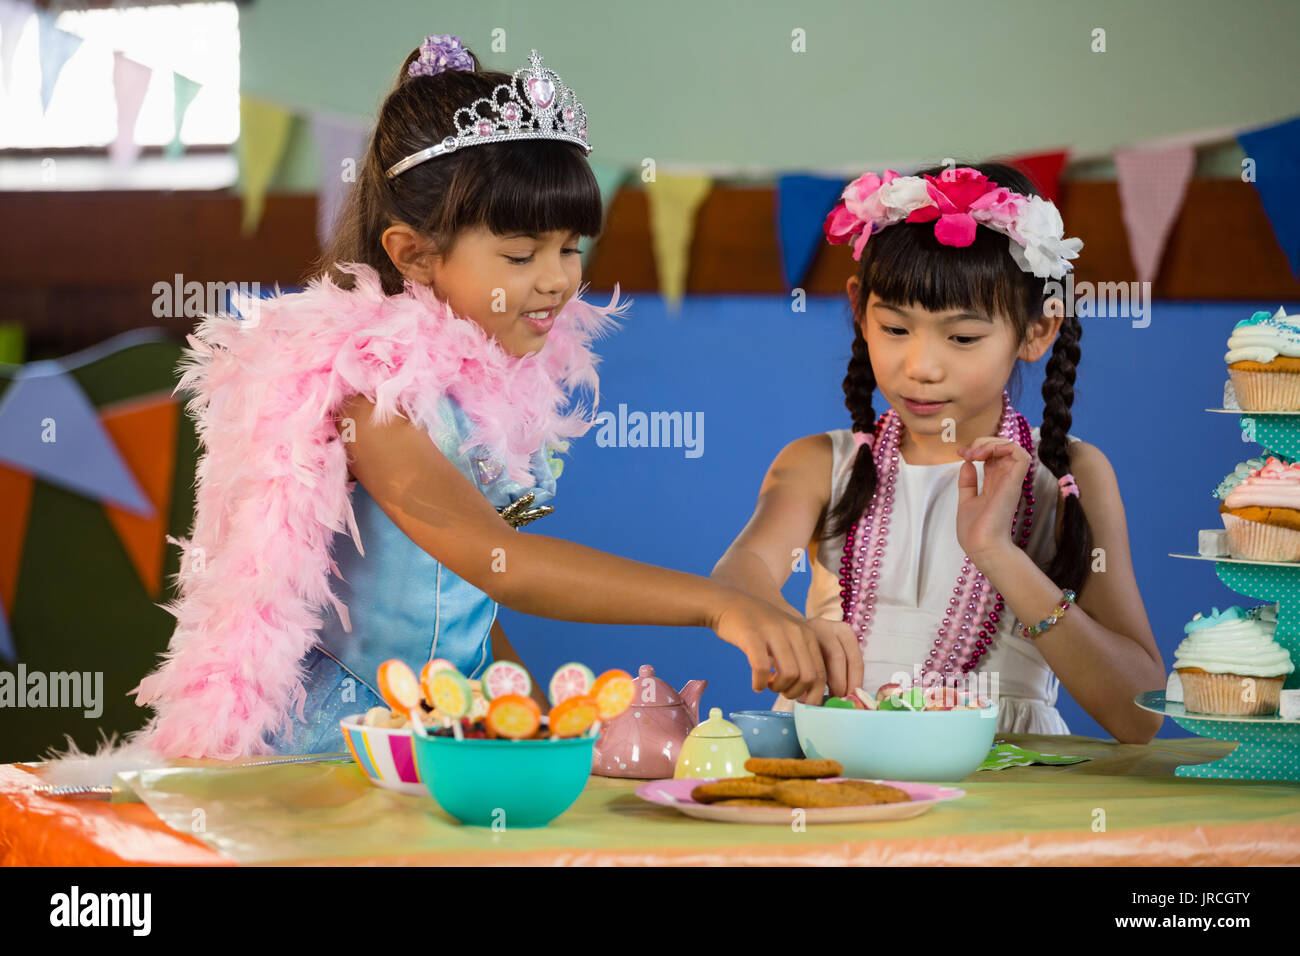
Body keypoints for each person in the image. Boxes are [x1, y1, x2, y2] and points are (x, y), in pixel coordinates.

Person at [39, 35, 857, 780]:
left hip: (452, 727)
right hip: (342, 746)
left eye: (571, 247)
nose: (557, 279)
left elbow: (463, 603)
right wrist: (720, 601)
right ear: (412, 254)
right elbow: (495, 556)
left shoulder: (492, 387)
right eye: (520, 252)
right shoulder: (372, 395)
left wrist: (534, 715)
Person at [711, 162, 1166, 743]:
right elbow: (737, 575)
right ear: (859, 308)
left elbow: (1138, 714)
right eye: (896, 329)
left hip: (1003, 794)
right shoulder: (818, 464)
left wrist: (998, 553)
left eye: (963, 338)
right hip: (830, 765)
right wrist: (784, 626)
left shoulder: (1069, 476)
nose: (921, 367)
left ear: (1037, 331)